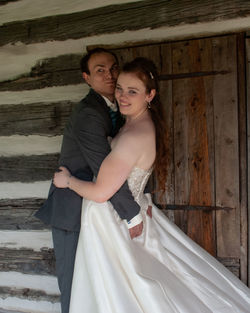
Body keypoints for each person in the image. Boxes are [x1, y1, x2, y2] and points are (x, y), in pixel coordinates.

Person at [53, 57, 250, 313]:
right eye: (120, 88)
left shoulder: (135, 135)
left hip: (109, 220)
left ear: (150, 95)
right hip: (117, 215)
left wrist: (67, 181)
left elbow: (101, 192)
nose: (123, 96)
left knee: (117, 289)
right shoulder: (135, 124)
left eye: (132, 91)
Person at [35, 48, 144, 313]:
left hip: (98, 208)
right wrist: (132, 214)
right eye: (100, 70)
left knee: (99, 284)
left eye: (113, 68)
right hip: (72, 210)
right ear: (86, 78)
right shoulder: (88, 113)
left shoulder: (118, 107)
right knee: (75, 287)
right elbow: (103, 166)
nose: (109, 75)